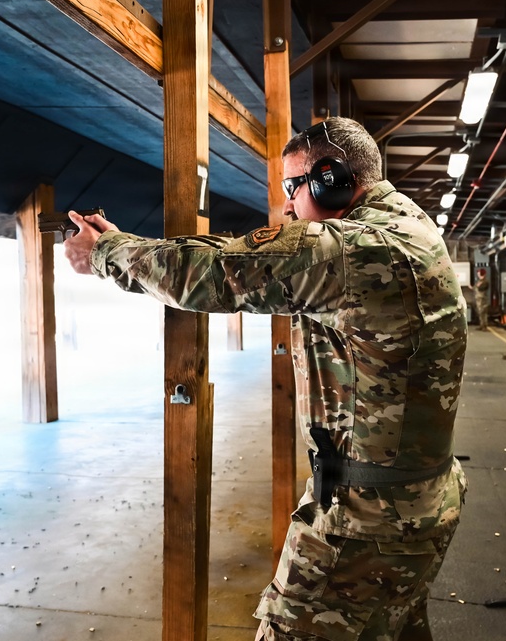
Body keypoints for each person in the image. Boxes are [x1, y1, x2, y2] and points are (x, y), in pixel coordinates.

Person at [63, 116, 468, 639]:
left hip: (366, 521)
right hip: (415, 503)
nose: (289, 205)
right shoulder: (406, 225)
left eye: (294, 186)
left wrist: (102, 253)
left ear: (333, 179)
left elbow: (216, 275)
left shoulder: (356, 250)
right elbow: (252, 253)